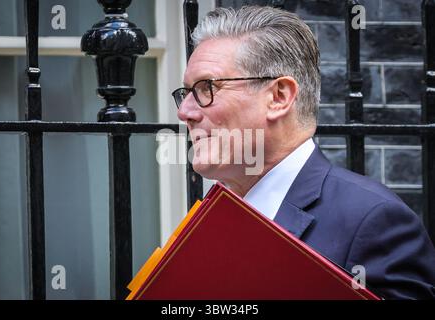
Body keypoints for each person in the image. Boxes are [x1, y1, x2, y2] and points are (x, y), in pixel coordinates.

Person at [171, 6, 435, 299]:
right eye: (185, 93)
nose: (185, 112)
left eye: (206, 87)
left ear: (279, 97)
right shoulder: (207, 224)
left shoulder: (375, 221)